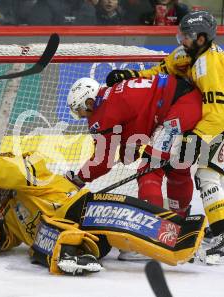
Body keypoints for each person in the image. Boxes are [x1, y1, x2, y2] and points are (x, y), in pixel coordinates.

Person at [105, 10, 224, 265]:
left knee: (208, 174)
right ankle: (221, 228)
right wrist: (132, 77)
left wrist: (195, 139)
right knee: (213, 173)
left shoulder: (208, 65)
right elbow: (161, 71)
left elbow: (217, 114)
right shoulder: (186, 54)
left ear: (202, 39)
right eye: (181, 33)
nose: (182, 39)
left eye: (188, 35)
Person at [0, 151, 205, 275]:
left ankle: (183, 237)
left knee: (129, 216)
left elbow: (16, 170)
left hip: (79, 208)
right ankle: (75, 254)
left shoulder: (28, 177)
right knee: (41, 243)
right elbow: (8, 240)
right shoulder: (9, 213)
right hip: (74, 239)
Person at [65, 75, 203, 260]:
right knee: (177, 169)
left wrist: (77, 179)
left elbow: (102, 161)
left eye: (81, 110)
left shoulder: (101, 114)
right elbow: (138, 115)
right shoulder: (112, 94)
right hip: (190, 102)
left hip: (175, 111)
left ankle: (152, 239)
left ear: (90, 101)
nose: (82, 116)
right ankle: (179, 226)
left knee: (149, 172)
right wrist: (129, 148)